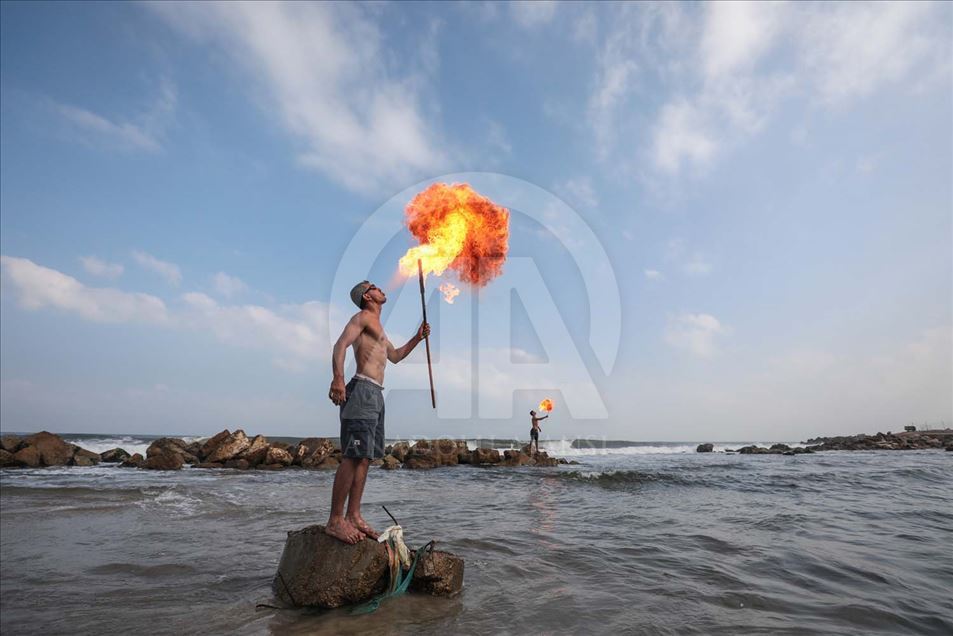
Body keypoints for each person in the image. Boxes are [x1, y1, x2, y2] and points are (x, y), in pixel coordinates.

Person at [326, 280, 430, 544]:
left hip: (376, 394)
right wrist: (338, 378)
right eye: (374, 286)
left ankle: (354, 515)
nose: (380, 288)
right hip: (361, 390)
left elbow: (395, 356)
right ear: (367, 296)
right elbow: (340, 345)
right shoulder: (361, 317)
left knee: (365, 457)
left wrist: (418, 338)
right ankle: (335, 520)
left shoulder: (379, 327)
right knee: (353, 455)